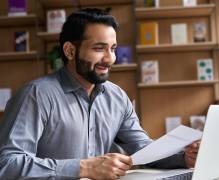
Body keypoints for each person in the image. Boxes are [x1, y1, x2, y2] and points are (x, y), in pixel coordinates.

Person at [0, 8, 199, 180]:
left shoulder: (117, 97)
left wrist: (183, 158)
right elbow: (8, 165)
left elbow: (143, 150)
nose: (110, 58)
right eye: (99, 48)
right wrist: (86, 167)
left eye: (112, 49)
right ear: (70, 51)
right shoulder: (36, 95)